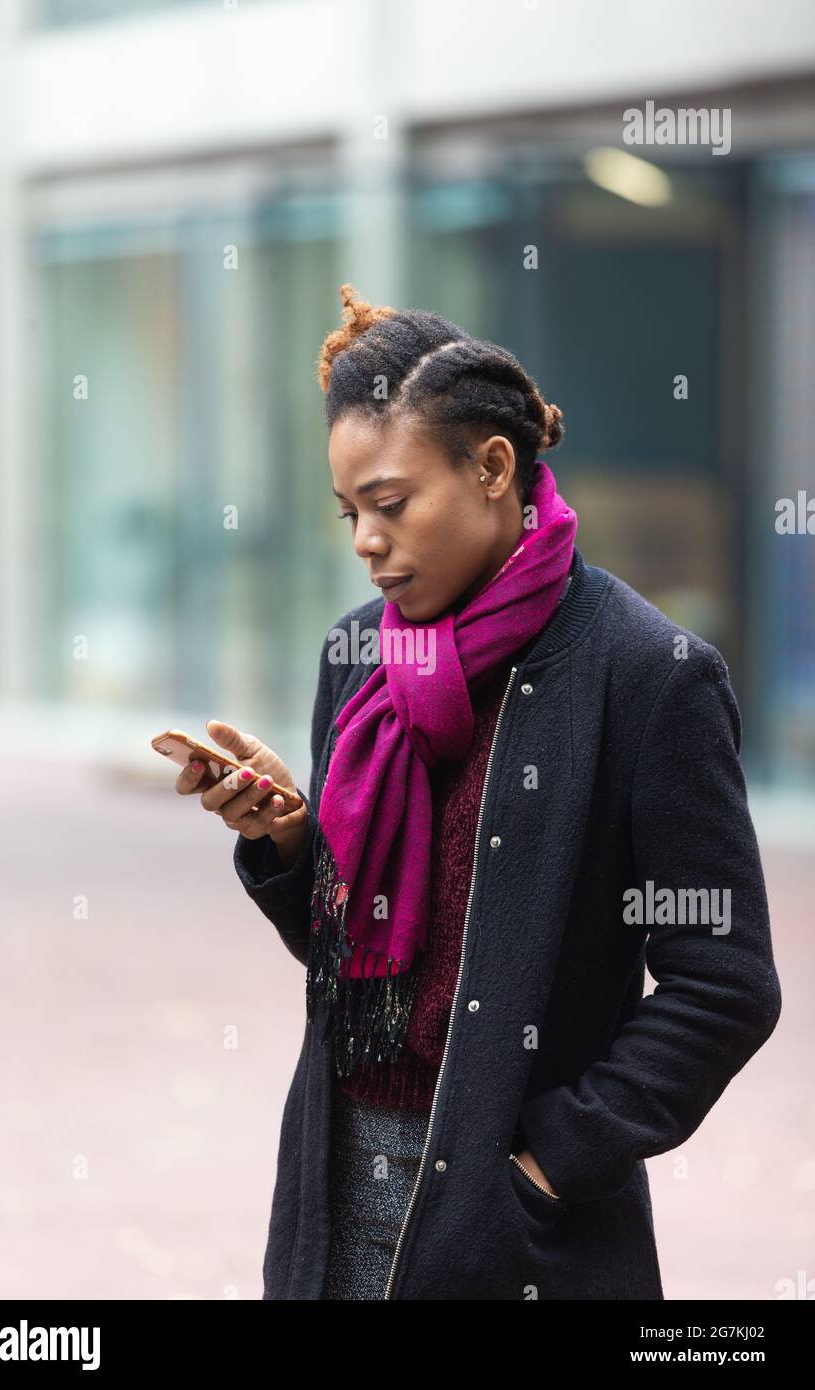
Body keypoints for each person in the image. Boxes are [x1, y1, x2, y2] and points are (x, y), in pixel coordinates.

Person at [175, 284, 782, 1301]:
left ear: (492, 467)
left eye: (391, 502)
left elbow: (724, 985)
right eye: (348, 510)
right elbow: (355, 961)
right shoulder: (357, 654)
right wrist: (286, 845)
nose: (364, 539)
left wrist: (542, 1167)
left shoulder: (646, 674)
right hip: (333, 1193)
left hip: (518, 1234)